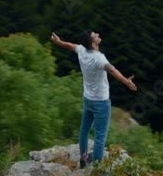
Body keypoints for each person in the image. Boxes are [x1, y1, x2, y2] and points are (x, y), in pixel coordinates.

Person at [50, 30, 137, 168]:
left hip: (88, 98)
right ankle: (97, 169)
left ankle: (83, 159)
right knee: (100, 137)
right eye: (94, 35)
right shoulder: (99, 58)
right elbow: (112, 70)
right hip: (101, 102)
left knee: (84, 130)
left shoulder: (82, 50)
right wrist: (127, 82)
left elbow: (71, 46)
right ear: (92, 42)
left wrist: (59, 42)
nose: (97, 34)